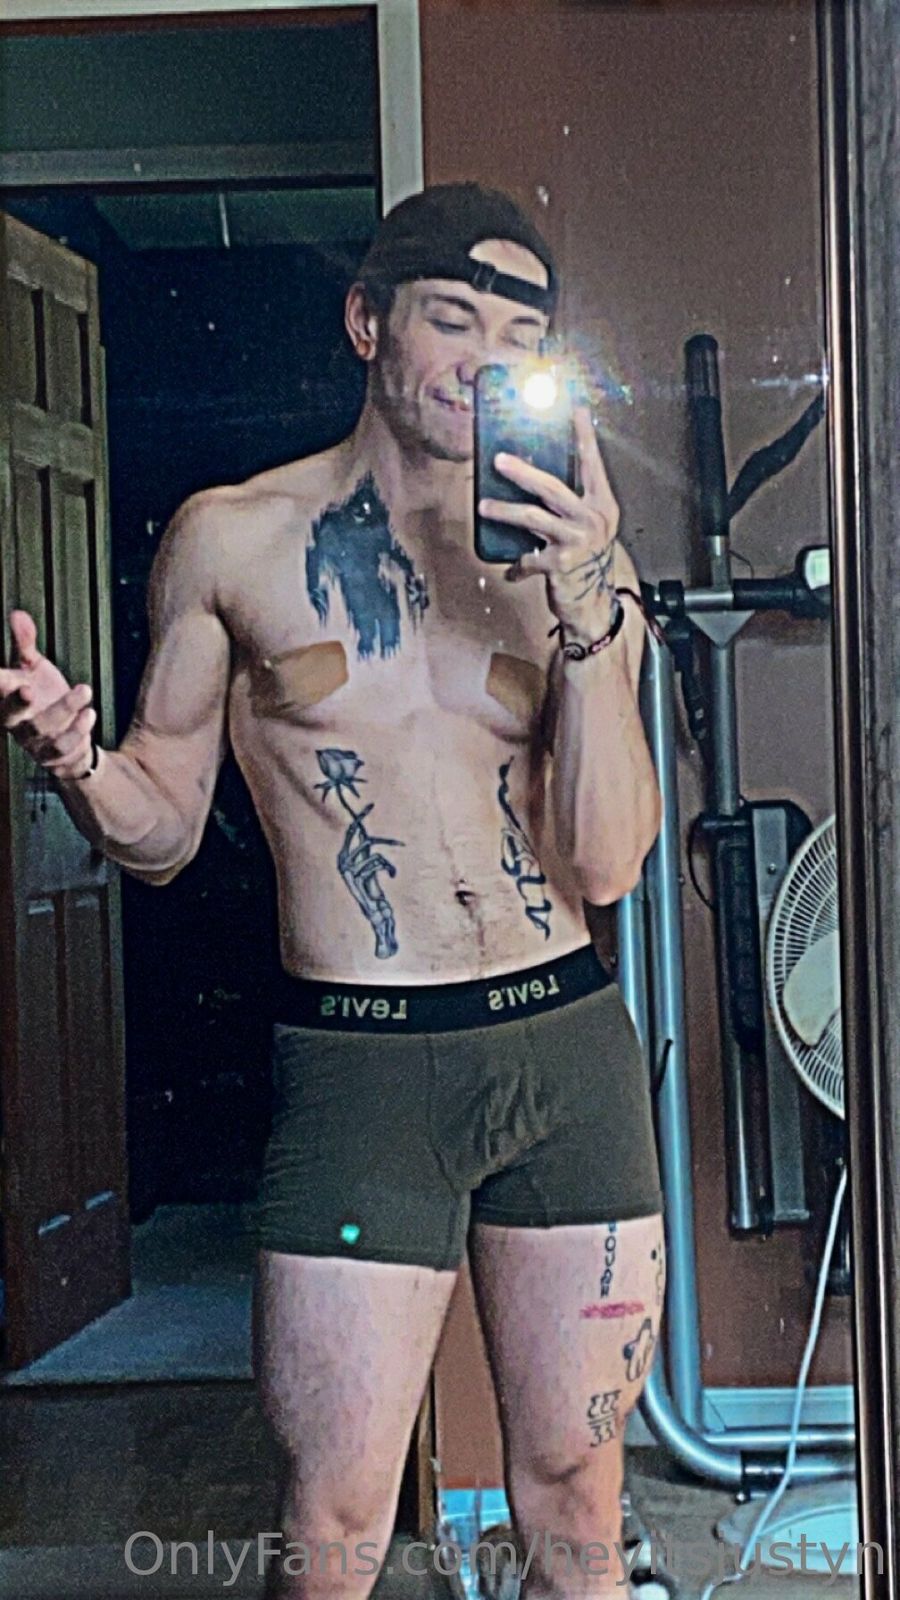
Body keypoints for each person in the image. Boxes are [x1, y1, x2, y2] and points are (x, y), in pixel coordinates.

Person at [0, 183, 664, 1600]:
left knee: (579, 1511)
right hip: (365, 1066)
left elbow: (610, 862)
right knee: (335, 1529)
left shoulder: (580, 567)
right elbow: (162, 831)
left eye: (519, 337)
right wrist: (74, 758)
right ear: (369, 323)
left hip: (565, 1051)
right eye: (452, 319)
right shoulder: (235, 539)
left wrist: (589, 610)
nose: (483, 361)